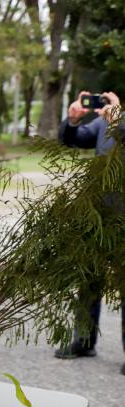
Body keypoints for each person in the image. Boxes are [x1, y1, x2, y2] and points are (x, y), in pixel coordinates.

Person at [53, 90, 125, 373]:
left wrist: (118, 120)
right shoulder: (103, 122)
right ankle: (83, 340)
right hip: (98, 214)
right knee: (88, 279)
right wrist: (71, 121)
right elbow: (73, 140)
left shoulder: (118, 121)